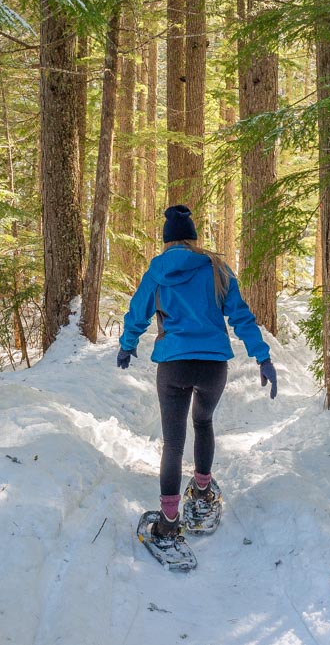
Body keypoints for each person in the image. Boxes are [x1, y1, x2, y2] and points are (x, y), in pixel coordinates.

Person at [117, 205, 277, 549]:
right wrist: (262, 357)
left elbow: (137, 313)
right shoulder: (217, 268)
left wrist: (127, 346)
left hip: (173, 365)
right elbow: (242, 317)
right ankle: (203, 492)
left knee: (172, 443)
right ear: (192, 238)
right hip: (212, 365)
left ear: (167, 241)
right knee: (203, 423)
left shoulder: (156, 272)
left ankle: (169, 523)